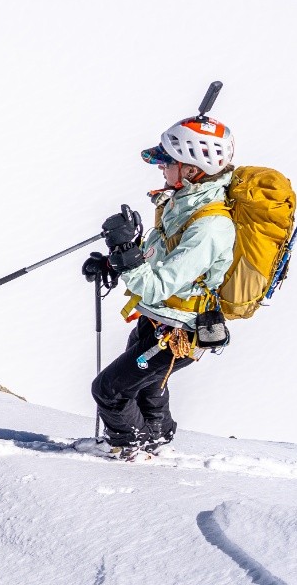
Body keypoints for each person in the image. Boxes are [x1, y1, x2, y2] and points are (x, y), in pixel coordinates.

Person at [80, 115, 238, 459]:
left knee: (109, 391)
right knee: (148, 388)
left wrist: (126, 257)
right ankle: (156, 443)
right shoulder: (182, 205)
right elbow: (159, 259)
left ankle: (132, 450)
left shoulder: (211, 226)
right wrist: (115, 262)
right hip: (156, 321)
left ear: (193, 170)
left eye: (168, 161)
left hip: (178, 332)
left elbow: (159, 285)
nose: (161, 167)